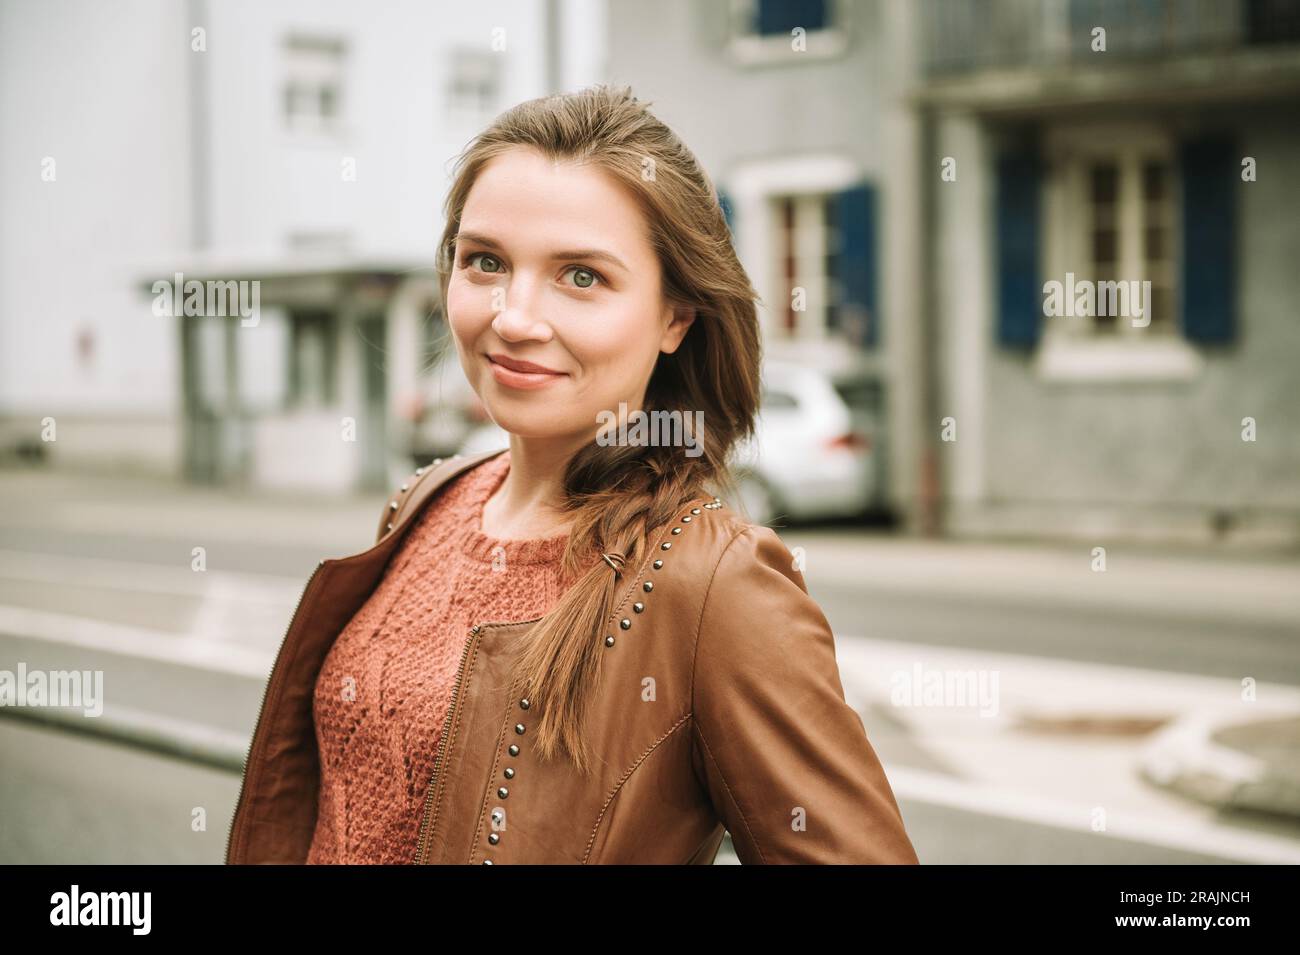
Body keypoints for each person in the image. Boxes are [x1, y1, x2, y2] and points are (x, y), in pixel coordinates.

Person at [225, 84, 918, 865]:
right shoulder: (427, 502)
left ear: (675, 318)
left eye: (581, 276)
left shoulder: (714, 582)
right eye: (485, 261)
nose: (514, 317)